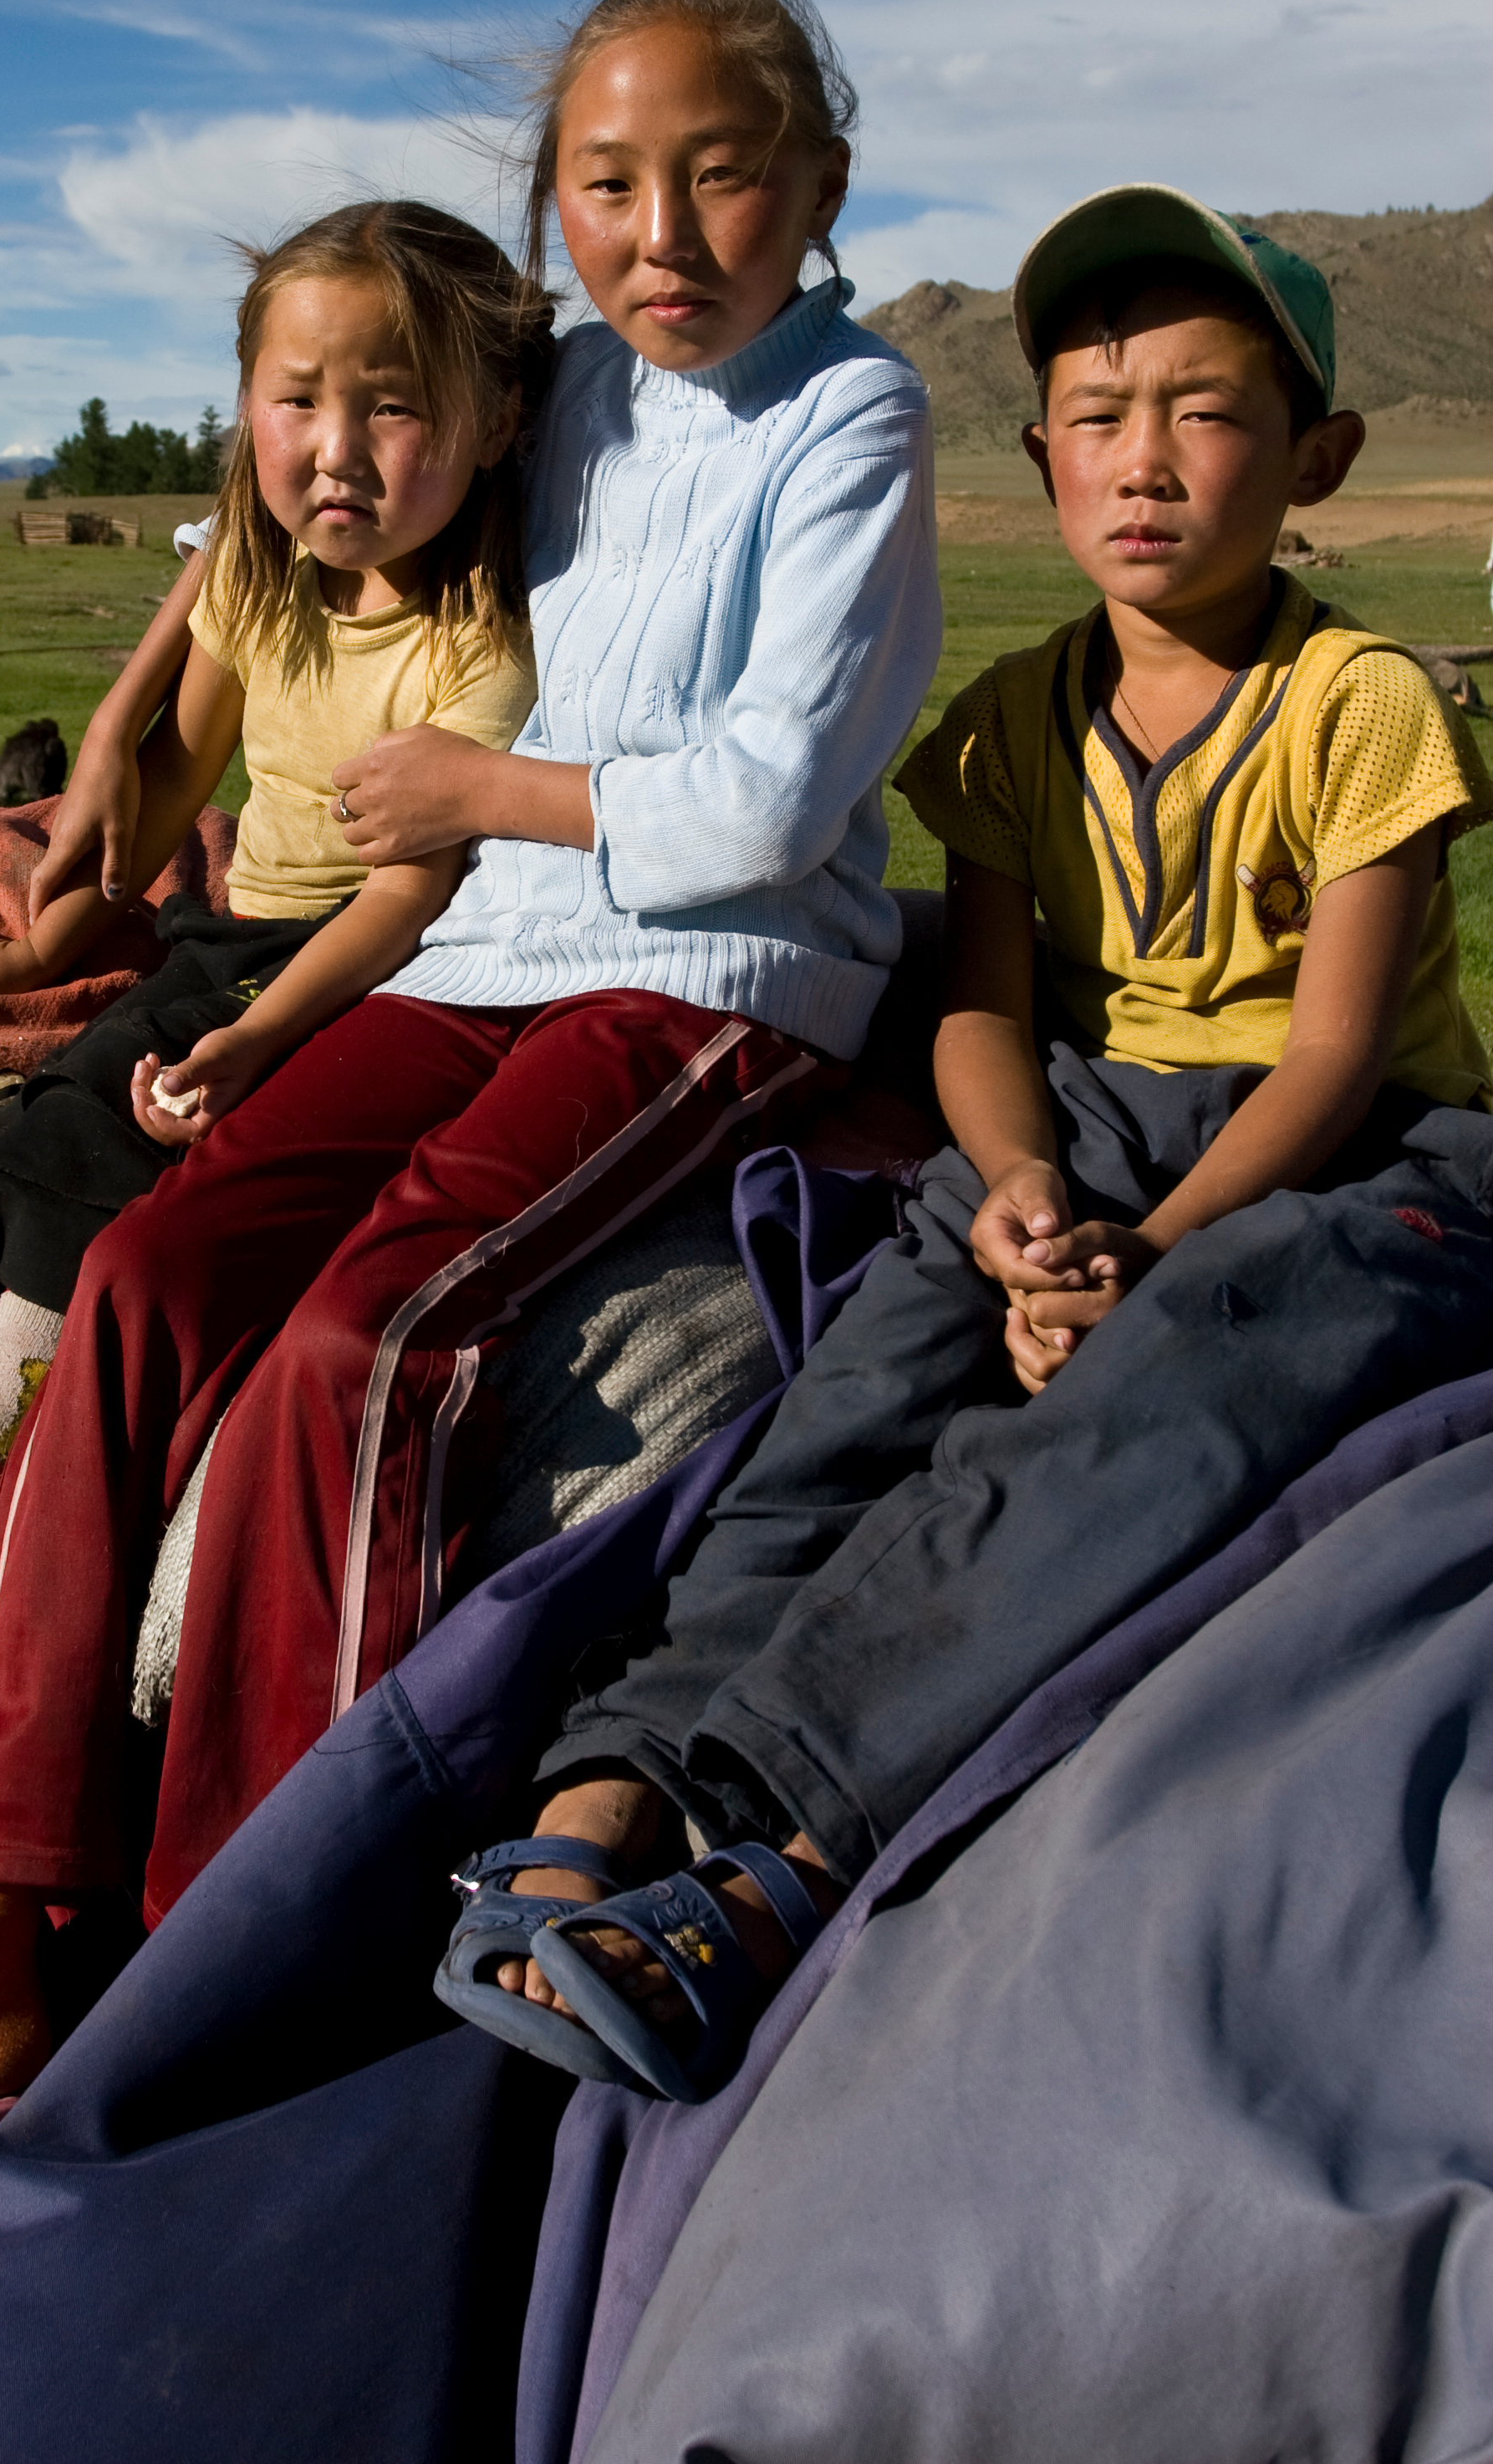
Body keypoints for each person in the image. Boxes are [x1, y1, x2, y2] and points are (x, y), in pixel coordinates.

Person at [0, 0, 941, 2138]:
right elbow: (320, 512)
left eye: (724, 178)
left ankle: (242, 1941)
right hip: (475, 952)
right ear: (552, 210)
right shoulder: (569, 396)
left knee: (369, 1346)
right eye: (608, 183)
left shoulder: (856, 419)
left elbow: (779, 800)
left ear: (823, 187)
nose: (665, 232)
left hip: (708, 977)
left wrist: (479, 796)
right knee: (142, 1282)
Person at [435, 185, 1493, 2104]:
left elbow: (1334, 1049)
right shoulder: (1014, 723)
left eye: (1205, 411)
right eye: (1096, 416)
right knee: (849, 1402)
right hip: (1078, 1124)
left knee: (1158, 1406)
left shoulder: (1362, 703)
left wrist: (1146, 1254)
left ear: (1316, 454)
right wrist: (1014, 1195)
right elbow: (987, 1012)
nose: (1143, 462)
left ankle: (784, 1861)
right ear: (1040, 457)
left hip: (1351, 1157)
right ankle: (602, 1801)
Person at [0, 200, 545, 1670]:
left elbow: (415, 893)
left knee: (102, 1175)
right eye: (297, 401)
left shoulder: (478, 636)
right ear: (246, 412)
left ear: (494, 426)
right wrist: (40, 955)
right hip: (233, 939)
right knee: (12, 1144)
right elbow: (169, 782)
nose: (335, 446)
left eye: (394, 404)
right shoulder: (267, 578)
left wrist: (260, 1034)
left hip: (368, 971)